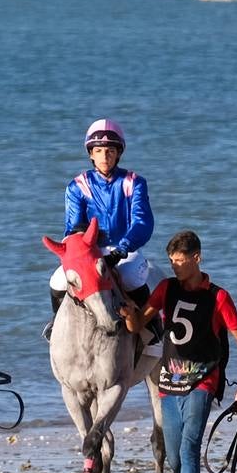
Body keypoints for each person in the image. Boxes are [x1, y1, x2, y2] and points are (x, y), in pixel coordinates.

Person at [124, 231, 237, 473]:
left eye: (181, 261)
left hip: (203, 380)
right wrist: (128, 315)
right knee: (173, 458)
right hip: (169, 382)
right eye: (171, 261)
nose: (175, 267)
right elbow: (139, 324)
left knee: (189, 449)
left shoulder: (218, 296)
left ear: (197, 258)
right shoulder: (166, 288)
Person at [46, 118, 154, 336]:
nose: (105, 156)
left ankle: (151, 330)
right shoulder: (77, 186)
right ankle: (58, 328)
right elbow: (72, 229)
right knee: (57, 280)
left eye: (110, 151)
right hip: (90, 252)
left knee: (133, 277)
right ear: (91, 154)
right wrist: (83, 246)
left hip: (125, 251)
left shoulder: (134, 182)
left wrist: (121, 249)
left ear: (118, 153)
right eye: (99, 150)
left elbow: (143, 223)